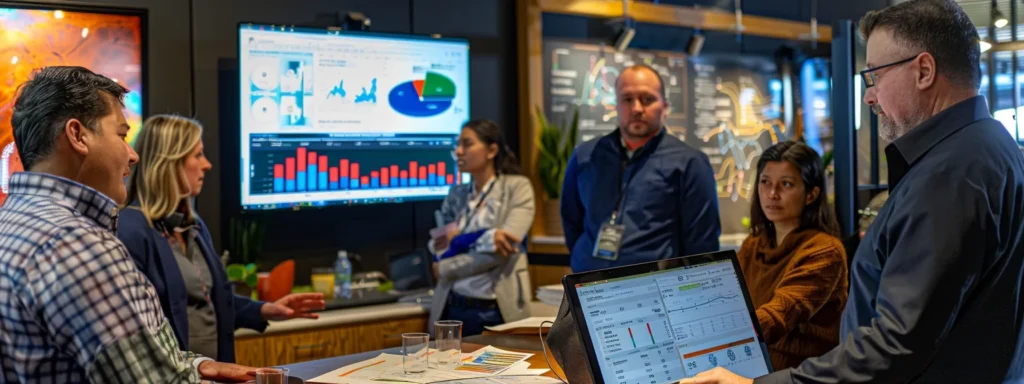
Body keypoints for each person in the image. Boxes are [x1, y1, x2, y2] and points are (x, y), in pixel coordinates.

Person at [682, 1, 1024, 383]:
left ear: (924, 71)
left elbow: (896, 345)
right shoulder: (991, 146)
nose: (869, 96)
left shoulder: (949, 173)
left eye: (874, 76)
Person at [0, 66, 253, 382]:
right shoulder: (78, 245)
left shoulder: (13, 223)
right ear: (78, 135)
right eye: (121, 134)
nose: (132, 155)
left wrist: (191, 364)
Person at [116, 114, 326, 363]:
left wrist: (265, 310)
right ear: (169, 162)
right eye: (197, 155)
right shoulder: (131, 231)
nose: (207, 165)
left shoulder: (192, 225)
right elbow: (136, 330)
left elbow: (211, 303)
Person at [561, 64, 721, 272]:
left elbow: (701, 243)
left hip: (654, 291)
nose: (636, 108)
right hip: (590, 285)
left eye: (647, 99)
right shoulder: (585, 156)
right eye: (627, 99)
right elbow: (571, 221)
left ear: (664, 106)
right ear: (616, 105)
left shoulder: (690, 163)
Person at [737, 141, 847, 370]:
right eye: (765, 182)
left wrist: (721, 337)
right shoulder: (753, 244)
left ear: (812, 194)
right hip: (752, 366)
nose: (772, 194)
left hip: (799, 374)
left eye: (786, 184)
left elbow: (781, 313)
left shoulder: (824, 250)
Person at [428, 119, 535, 336]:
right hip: (452, 306)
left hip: (495, 309)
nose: (458, 151)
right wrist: (486, 238)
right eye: (457, 144)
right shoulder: (456, 194)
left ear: (491, 150)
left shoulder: (517, 188)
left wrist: (451, 259)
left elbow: (501, 251)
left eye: (467, 144)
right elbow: (438, 247)